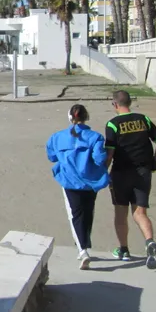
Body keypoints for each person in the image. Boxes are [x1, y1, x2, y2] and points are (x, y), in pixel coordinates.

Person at [105, 90, 156, 269]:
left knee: (120, 213)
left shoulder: (113, 124)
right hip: (143, 172)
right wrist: (155, 161)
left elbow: (110, 153)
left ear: (115, 105)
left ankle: (124, 250)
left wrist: (103, 171)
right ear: (130, 102)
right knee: (140, 213)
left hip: (120, 173)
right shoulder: (144, 119)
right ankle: (149, 241)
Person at [47, 104, 110, 270]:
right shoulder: (95, 137)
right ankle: (85, 244)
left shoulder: (57, 137)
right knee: (88, 212)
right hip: (90, 181)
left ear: (70, 117)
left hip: (69, 181)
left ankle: (82, 250)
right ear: (86, 117)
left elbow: (51, 156)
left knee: (75, 214)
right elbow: (99, 159)